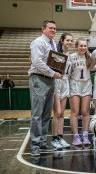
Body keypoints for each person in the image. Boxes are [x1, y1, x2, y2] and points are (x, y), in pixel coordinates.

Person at [28, 20, 62, 156]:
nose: (53, 30)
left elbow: (53, 61)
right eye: (50, 28)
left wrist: (57, 72)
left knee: (46, 114)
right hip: (38, 79)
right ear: (43, 29)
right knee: (37, 114)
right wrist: (53, 73)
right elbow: (37, 62)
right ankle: (35, 145)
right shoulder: (38, 42)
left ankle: (42, 142)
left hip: (50, 80)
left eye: (55, 28)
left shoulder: (52, 43)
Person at [69, 38, 94, 146]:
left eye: (85, 46)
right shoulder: (71, 57)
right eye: (81, 46)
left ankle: (85, 134)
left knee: (85, 111)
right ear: (76, 46)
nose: (83, 48)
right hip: (75, 84)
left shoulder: (90, 57)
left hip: (86, 84)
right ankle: (75, 136)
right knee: (75, 112)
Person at [51, 33, 73, 150]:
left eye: (71, 41)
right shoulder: (56, 53)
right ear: (62, 41)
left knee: (62, 113)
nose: (69, 42)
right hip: (56, 82)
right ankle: (54, 139)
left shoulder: (71, 55)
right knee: (57, 113)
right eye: (67, 40)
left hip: (66, 83)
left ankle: (60, 137)